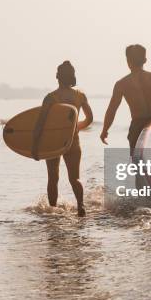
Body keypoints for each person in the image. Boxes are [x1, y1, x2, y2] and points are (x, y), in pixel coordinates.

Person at [31, 61, 93, 217]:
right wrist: (76, 127)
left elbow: (40, 124)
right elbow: (90, 118)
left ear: (57, 76)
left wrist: (34, 146)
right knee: (75, 178)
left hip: (53, 142)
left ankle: (53, 210)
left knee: (53, 177)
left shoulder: (51, 98)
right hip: (73, 141)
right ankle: (81, 207)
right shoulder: (80, 95)